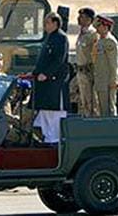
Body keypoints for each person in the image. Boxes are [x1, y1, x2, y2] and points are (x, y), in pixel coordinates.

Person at [32, 12, 69, 144]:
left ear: (55, 23)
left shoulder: (60, 38)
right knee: (45, 111)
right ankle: (47, 138)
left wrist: (47, 74)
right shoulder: (49, 37)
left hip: (54, 82)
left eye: (47, 23)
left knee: (55, 113)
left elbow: (58, 60)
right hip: (44, 83)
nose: (45, 26)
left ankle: (55, 139)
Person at [92, 15, 118, 116]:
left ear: (105, 27)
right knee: (102, 109)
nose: (97, 29)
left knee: (109, 109)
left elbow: (113, 63)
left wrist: (113, 81)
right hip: (101, 80)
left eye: (99, 26)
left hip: (108, 81)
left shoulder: (110, 42)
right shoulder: (100, 41)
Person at [76, 7, 98, 117]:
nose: (79, 19)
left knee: (91, 102)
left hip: (89, 72)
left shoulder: (93, 34)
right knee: (82, 102)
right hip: (80, 72)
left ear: (90, 20)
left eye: (82, 17)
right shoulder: (82, 33)